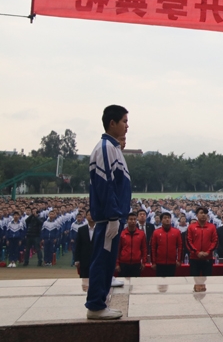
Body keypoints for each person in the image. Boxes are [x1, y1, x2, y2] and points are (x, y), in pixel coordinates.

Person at [85, 104, 131, 320]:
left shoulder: (113, 148)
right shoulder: (105, 148)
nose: (127, 126)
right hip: (108, 217)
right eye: (124, 121)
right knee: (102, 261)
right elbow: (106, 185)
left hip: (113, 216)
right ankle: (95, 305)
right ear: (112, 123)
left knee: (107, 260)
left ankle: (100, 298)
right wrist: (113, 216)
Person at [187, 207, 218, 277]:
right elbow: (188, 241)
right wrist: (197, 252)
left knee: (208, 279)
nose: (203, 215)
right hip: (194, 258)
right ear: (196, 215)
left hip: (208, 257)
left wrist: (208, 252)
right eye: (201, 213)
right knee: (194, 279)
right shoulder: (191, 227)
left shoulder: (212, 227)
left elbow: (215, 241)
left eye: (205, 213)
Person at [151, 212, 182, 277]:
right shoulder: (156, 232)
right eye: (165, 218)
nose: (167, 219)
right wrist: (153, 262)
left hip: (172, 262)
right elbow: (153, 248)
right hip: (159, 262)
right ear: (161, 220)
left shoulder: (176, 232)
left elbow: (180, 247)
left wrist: (179, 260)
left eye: (168, 218)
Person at [117, 212, 147, 278]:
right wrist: (117, 263)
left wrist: (144, 262)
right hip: (123, 263)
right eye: (130, 219)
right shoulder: (122, 234)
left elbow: (144, 249)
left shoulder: (141, 234)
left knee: (136, 283)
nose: (133, 221)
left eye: (134, 219)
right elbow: (118, 249)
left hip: (136, 263)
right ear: (127, 221)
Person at [74, 211, 97, 279]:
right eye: (89, 215)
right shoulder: (81, 230)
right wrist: (77, 259)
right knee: (84, 279)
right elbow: (78, 245)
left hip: (97, 259)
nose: (91, 216)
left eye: (93, 214)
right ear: (86, 217)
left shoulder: (100, 229)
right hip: (84, 260)